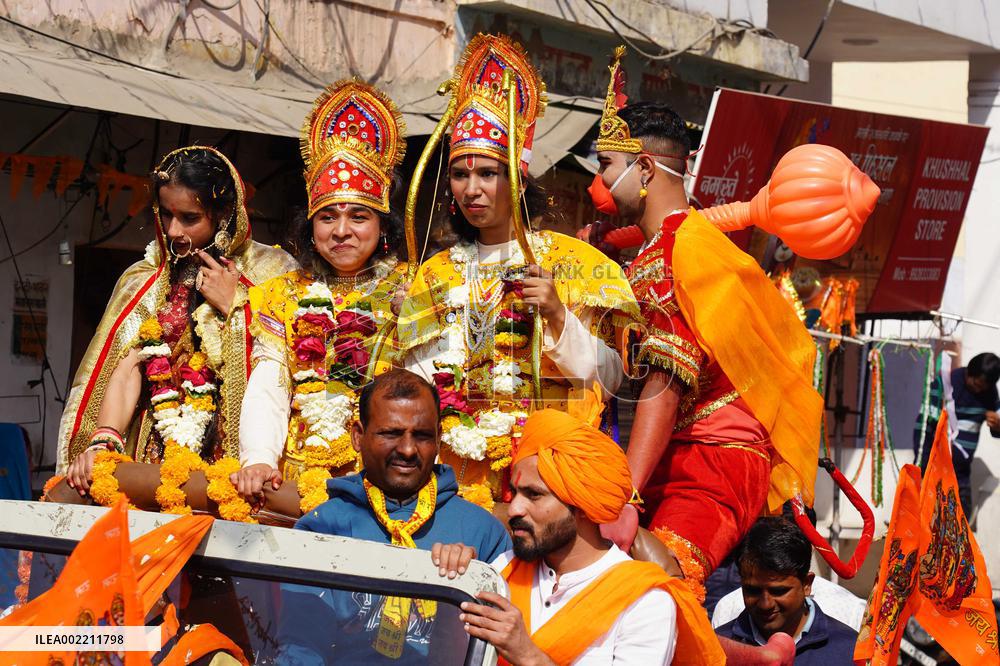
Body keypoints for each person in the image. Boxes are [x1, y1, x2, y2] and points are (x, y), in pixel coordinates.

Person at [591, 47, 822, 601]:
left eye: (605, 165)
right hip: (678, 450)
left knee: (661, 591)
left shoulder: (680, 256)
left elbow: (665, 386)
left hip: (714, 460)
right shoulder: (672, 247)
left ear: (644, 168)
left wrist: (624, 495)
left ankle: (763, 657)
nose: (597, 181)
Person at [398, 33, 638, 512]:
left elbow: (610, 378)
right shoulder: (435, 272)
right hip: (446, 481)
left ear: (517, 179)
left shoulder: (577, 265)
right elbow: (414, 381)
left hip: (545, 482)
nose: (472, 189)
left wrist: (556, 316)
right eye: (461, 174)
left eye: (487, 173)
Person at [58, 146, 297, 494]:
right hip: (154, 453)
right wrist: (103, 441)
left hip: (237, 464)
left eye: (189, 218)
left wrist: (236, 306)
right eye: (166, 214)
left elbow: (285, 364)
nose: (173, 231)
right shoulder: (145, 279)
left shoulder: (273, 273)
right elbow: (127, 365)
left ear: (225, 213)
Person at [233, 80, 411, 505]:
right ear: (311, 229)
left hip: (388, 483)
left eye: (359, 216)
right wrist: (258, 457)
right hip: (293, 481)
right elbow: (270, 384)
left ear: (383, 226)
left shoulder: (414, 286)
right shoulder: (283, 295)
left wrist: (415, 319)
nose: (342, 231)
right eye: (327, 216)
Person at [444, 402, 724, 665]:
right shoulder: (503, 569)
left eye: (534, 495)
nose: (514, 508)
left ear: (582, 507)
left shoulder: (645, 603)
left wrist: (528, 655)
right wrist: (448, 575)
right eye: (516, 493)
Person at [277, 368, 511, 664]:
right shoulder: (321, 528)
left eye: (423, 436)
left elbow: (501, 649)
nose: (408, 449)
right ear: (358, 437)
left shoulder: (482, 532)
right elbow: (301, 648)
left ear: (439, 439)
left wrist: (466, 587)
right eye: (391, 433)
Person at [715, 517, 859, 664]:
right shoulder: (713, 650)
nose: (766, 604)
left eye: (778, 591)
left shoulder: (852, 651)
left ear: (806, 584)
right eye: (753, 591)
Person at [912, 351, 1000, 516]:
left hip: (960, 477)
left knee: (960, 530)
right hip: (932, 471)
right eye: (976, 384)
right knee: (923, 523)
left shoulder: (989, 393)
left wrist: (998, 426)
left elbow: (998, 424)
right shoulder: (946, 383)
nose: (979, 390)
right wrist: (923, 469)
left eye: (983, 388)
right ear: (969, 372)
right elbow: (923, 427)